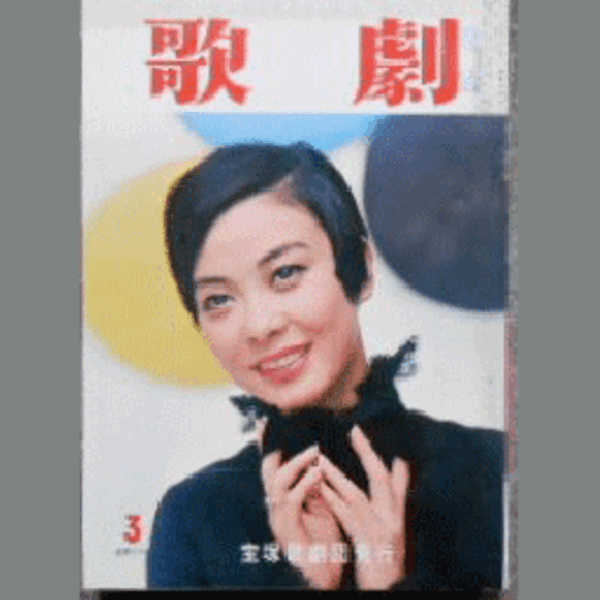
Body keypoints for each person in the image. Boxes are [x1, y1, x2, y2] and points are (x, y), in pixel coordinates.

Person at [147, 142, 504, 591]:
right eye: (218, 299)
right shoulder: (195, 517)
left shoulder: (493, 469)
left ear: (362, 268)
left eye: (285, 273)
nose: (259, 326)